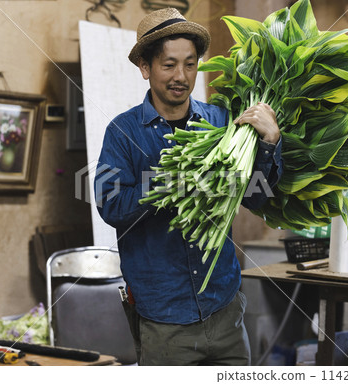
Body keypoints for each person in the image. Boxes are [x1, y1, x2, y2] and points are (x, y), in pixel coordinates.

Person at [95, 7, 283, 366]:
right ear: (146, 68)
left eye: (190, 64)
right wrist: (169, 182)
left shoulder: (222, 121)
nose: (181, 76)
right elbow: (111, 206)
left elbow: (257, 195)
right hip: (164, 321)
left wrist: (270, 142)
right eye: (168, 65)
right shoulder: (121, 132)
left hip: (225, 310)